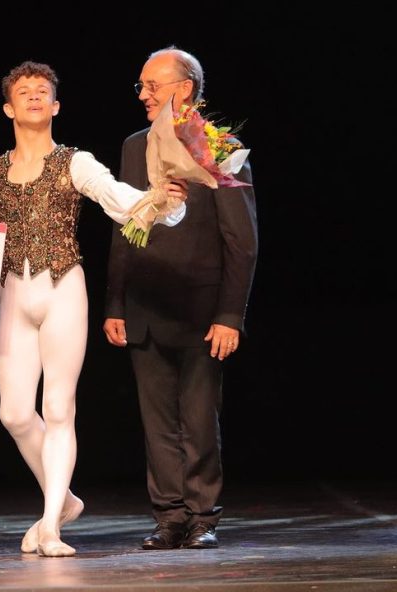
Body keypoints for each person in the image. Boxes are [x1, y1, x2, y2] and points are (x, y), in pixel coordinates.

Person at [0, 61, 188, 557]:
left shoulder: (75, 162)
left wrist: (161, 200)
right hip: (13, 295)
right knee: (13, 413)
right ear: (8, 107)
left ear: (55, 106)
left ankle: (50, 526)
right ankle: (64, 497)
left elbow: (118, 200)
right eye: (23, 92)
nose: (32, 97)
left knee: (57, 408)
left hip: (63, 287)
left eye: (42, 91)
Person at [104, 47, 258, 550]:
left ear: (184, 89)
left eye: (153, 86)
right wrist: (115, 302)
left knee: (197, 417)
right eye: (142, 87)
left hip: (200, 309)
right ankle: (169, 515)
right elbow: (126, 226)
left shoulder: (221, 145)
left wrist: (230, 313)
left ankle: (202, 516)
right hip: (146, 305)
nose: (144, 95)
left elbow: (242, 238)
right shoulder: (133, 146)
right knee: (156, 422)